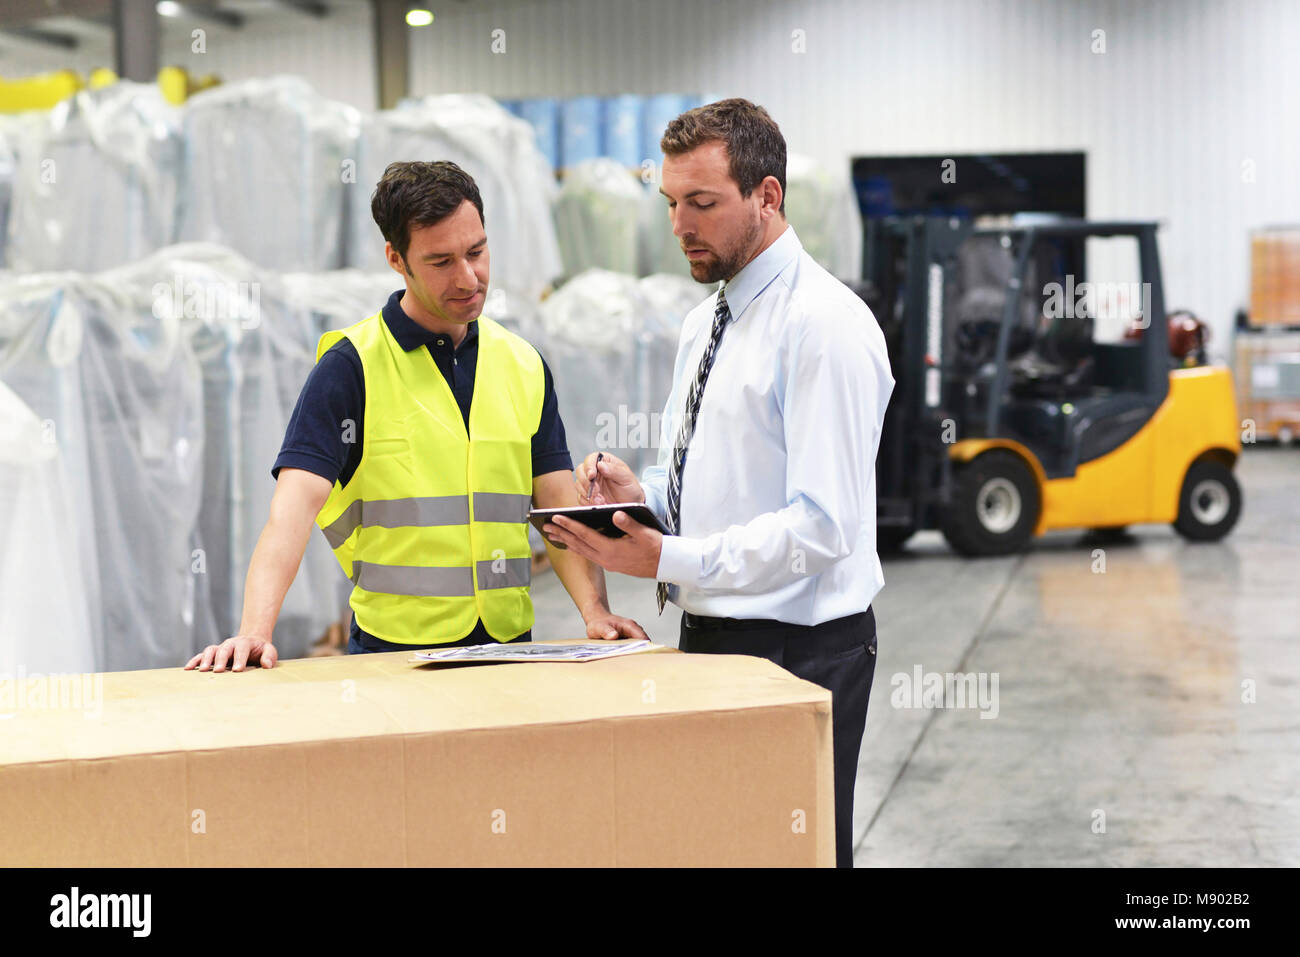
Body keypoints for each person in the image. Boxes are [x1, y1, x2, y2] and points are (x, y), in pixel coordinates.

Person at [540, 100, 894, 868]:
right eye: (671, 203)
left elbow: (822, 528)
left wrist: (664, 560)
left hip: (800, 652)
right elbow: (717, 474)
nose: (679, 226)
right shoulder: (708, 322)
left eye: (701, 203)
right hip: (712, 638)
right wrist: (643, 496)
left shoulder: (822, 327)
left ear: (767, 196)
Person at [187, 160, 646, 673]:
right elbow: (290, 512)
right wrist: (254, 632)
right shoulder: (351, 367)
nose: (468, 278)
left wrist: (594, 610)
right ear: (396, 259)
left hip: (510, 646)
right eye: (441, 261)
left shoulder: (523, 363)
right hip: (394, 653)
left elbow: (558, 505)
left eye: (477, 252)